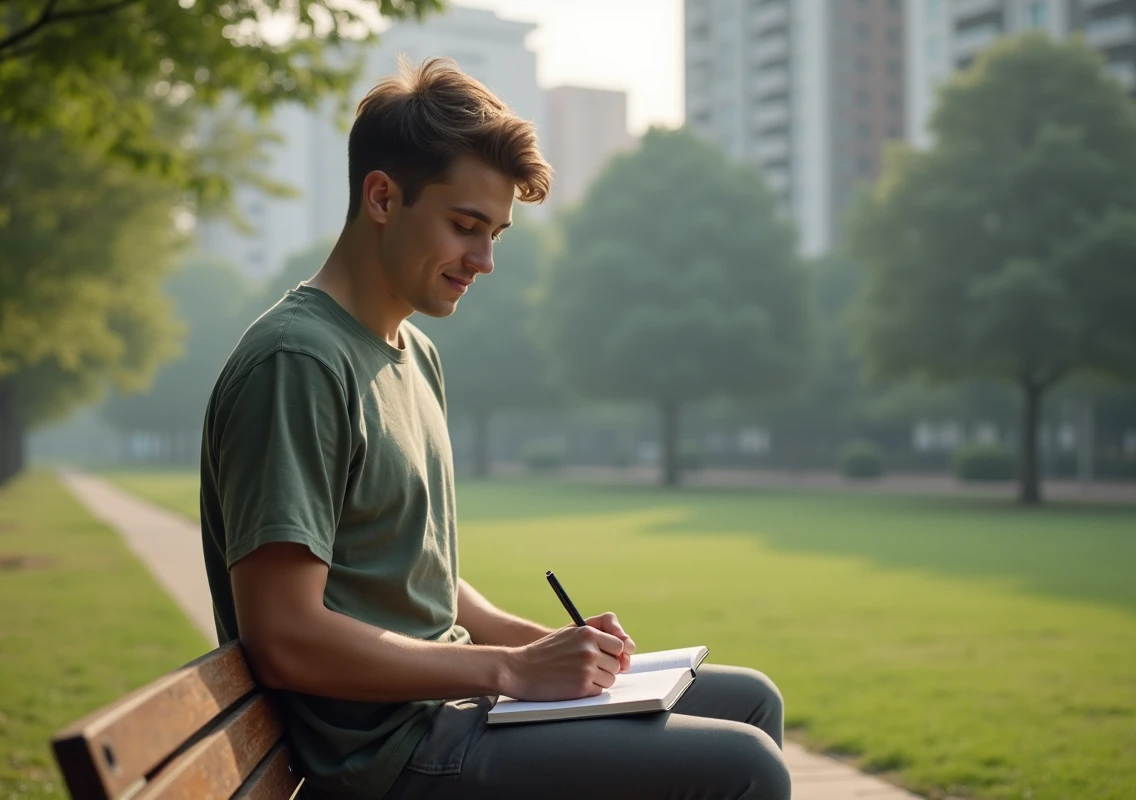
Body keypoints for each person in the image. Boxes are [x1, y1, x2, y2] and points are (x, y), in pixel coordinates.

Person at [199, 57, 791, 800]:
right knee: (746, 769)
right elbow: (286, 637)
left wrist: (539, 645)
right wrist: (511, 672)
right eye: (465, 226)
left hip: (446, 713)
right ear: (382, 197)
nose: (483, 260)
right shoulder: (298, 363)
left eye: (497, 233)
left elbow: (423, 582)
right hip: (390, 756)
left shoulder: (414, 353)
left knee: (749, 700)